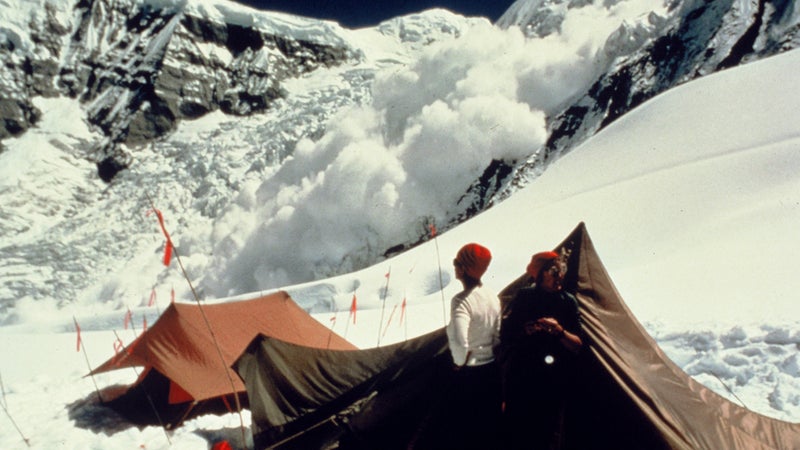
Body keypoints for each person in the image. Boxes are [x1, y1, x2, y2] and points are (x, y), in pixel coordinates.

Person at [413, 243, 502, 450]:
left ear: (464, 268)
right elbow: (497, 338)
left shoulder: (461, 301)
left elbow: (461, 343)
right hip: (491, 373)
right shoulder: (492, 297)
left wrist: (459, 363)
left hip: (468, 375)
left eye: (457, 262)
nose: (454, 266)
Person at [499, 251, 584, 450]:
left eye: (561, 270)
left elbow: (578, 344)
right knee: (517, 432)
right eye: (554, 271)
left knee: (547, 434)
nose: (559, 276)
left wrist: (560, 332)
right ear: (540, 275)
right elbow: (507, 335)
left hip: (553, 381)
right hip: (523, 377)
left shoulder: (568, 301)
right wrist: (526, 330)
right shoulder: (525, 297)